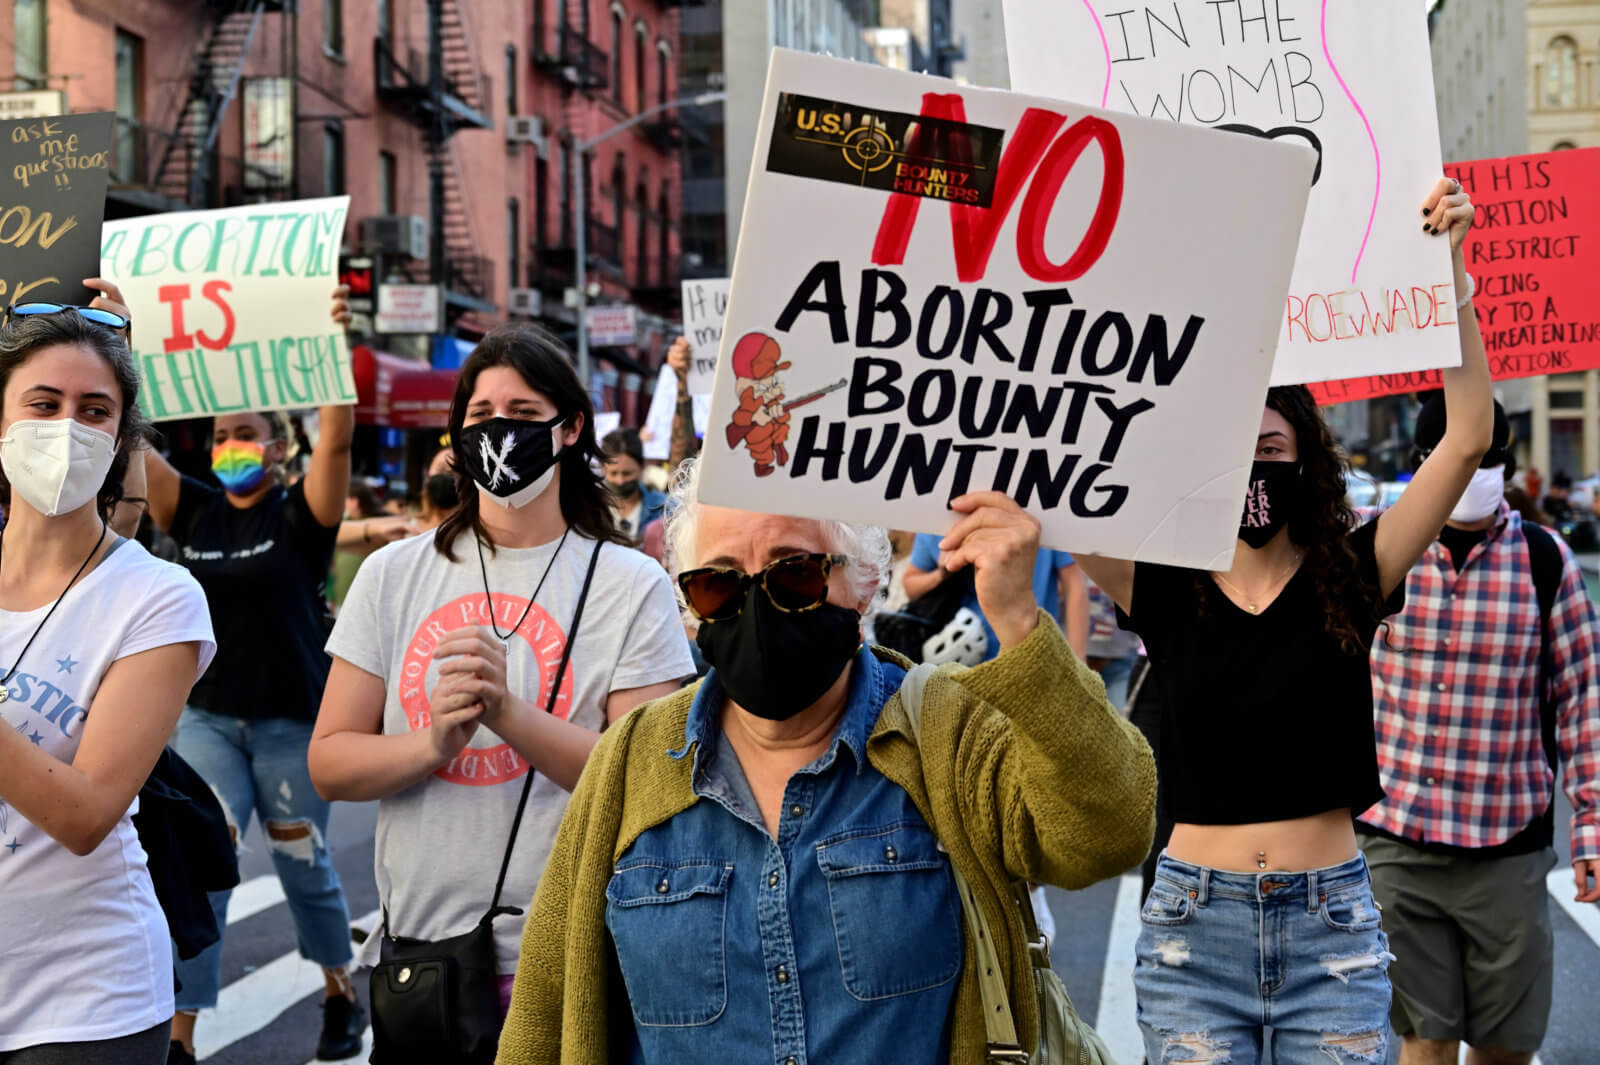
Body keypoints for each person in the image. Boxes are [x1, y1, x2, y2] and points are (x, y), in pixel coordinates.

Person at [495, 461, 1155, 1063]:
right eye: (719, 585)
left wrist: (1018, 621)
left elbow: (1109, 830)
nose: (759, 607)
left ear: (864, 583)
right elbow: (543, 1012)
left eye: (795, 573)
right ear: (690, 606)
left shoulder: (947, 738)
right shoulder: (632, 762)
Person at [1075, 177, 1494, 1065]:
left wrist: (1449, 274)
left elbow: (1464, 438)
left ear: (1306, 460)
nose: (1253, 472)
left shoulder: (1356, 571)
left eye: (1270, 451)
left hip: (1331, 929)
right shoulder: (1163, 584)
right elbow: (1062, 491)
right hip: (1193, 928)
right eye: (1231, 455)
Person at [307, 324, 694, 1033]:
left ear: (570, 427)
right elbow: (330, 761)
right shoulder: (394, 575)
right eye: (481, 417)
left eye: (522, 417)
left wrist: (505, 711)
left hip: (577, 958)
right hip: (427, 959)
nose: (500, 436)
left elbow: (646, 773)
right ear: (456, 434)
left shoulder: (629, 582)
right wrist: (432, 743)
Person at [95, 277, 369, 1065]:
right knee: (200, 860)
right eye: (219, 435)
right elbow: (126, 441)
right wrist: (122, 343)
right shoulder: (195, 508)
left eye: (246, 433)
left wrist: (334, 353)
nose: (230, 445)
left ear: (280, 447)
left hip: (289, 721)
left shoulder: (300, 515)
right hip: (207, 720)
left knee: (300, 861)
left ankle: (340, 992)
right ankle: (181, 1036)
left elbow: (341, 445)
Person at [0, 306, 214, 1064]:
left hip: (82, 1001)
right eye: (43, 403)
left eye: (95, 410)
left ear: (122, 438)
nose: (67, 427)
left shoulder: (158, 597)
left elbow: (89, 811)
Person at [1359, 396, 1600, 1065]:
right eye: (1459, 457)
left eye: (1489, 458)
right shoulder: (1377, 551)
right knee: (1425, 1042)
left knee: (1503, 1049)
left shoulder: (1546, 564)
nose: (1476, 472)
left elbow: (1585, 703)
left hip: (1506, 849)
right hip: (1398, 842)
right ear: (1422, 465)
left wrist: (1591, 831)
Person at [904, 534, 1089, 661]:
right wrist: (943, 572)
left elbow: (1075, 586)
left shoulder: (1045, 516)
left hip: (1029, 655)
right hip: (959, 656)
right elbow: (910, 584)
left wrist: (1078, 659)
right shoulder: (938, 523)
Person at [600, 427, 667, 546]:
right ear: (602, 470)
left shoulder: (664, 509)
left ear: (642, 468)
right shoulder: (591, 510)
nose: (620, 481)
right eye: (613, 473)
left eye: (627, 473)